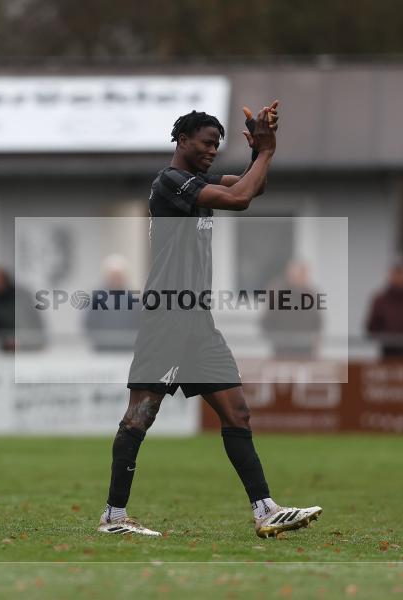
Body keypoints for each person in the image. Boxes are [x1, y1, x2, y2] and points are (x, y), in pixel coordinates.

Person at [98, 103, 321, 539]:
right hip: (166, 316)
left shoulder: (198, 183)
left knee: (237, 412)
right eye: (206, 143)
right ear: (182, 141)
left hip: (197, 321)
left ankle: (265, 510)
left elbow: (251, 190)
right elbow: (238, 199)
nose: (213, 151)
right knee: (139, 417)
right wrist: (267, 153)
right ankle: (114, 516)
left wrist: (259, 153)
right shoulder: (170, 182)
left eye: (218, 145)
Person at [260, 260, 323, 357]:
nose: (304, 277)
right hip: (283, 350)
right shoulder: (278, 291)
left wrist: (316, 341)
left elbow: (317, 321)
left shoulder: (310, 294)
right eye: (301, 273)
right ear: (290, 273)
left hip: (306, 350)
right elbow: (266, 321)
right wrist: (277, 339)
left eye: (305, 274)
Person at [84, 254, 140, 351]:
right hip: (102, 349)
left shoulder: (132, 298)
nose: (116, 279)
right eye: (113, 276)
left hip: (127, 348)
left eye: (119, 276)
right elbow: (89, 322)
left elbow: (139, 321)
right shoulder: (97, 298)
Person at [0, 267, 46, 351]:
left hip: (29, 347)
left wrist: (28, 341)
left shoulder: (22, 296)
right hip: (4, 350)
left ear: (3, 279)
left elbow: (33, 320)